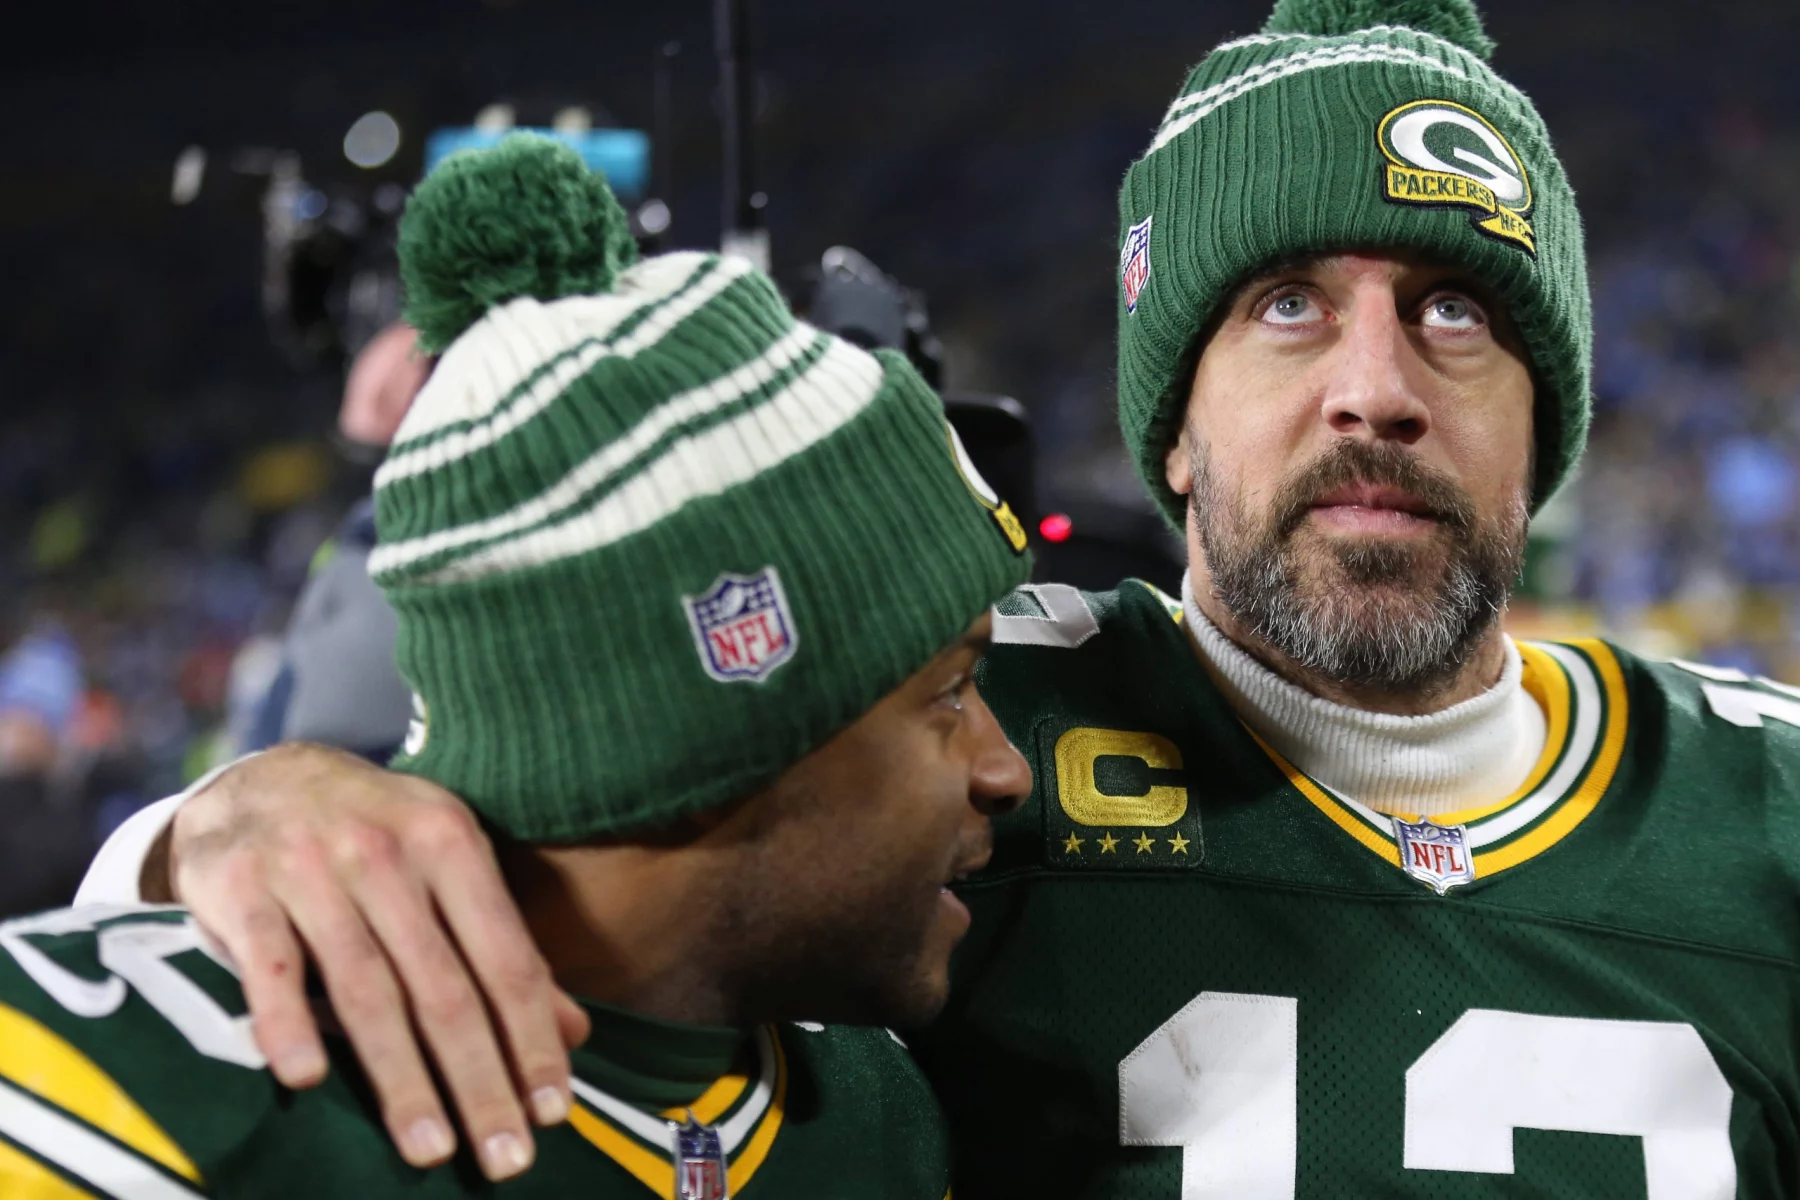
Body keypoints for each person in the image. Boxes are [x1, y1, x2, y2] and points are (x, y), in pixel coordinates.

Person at [76, 0, 1800, 1194]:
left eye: (1456, 313)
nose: (1374, 389)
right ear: (1171, 422)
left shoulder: (1770, 814)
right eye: (1286, 304)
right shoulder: (904, 723)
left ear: (1547, 424)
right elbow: (521, 830)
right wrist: (232, 820)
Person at [3, 134, 1033, 1196]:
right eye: (950, 691)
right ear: (699, 731)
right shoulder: (109, 1103)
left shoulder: (875, 1109)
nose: (1007, 769)